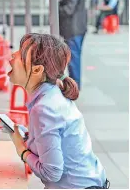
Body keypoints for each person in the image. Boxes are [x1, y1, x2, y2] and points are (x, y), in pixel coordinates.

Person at [7, 33, 108, 189]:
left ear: (37, 70)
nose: (14, 54)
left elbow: (52, 172)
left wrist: (21, 149)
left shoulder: (44, 108)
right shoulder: (52, 91)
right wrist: (28, 137)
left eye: (21, 53)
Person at [58, 0, 87, 90]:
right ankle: (75, 85)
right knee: (74, 58)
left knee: (73, 59)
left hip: (73, 30)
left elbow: (68, 10)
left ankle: (74, 86)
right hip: (77, 29)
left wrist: (57, 7)